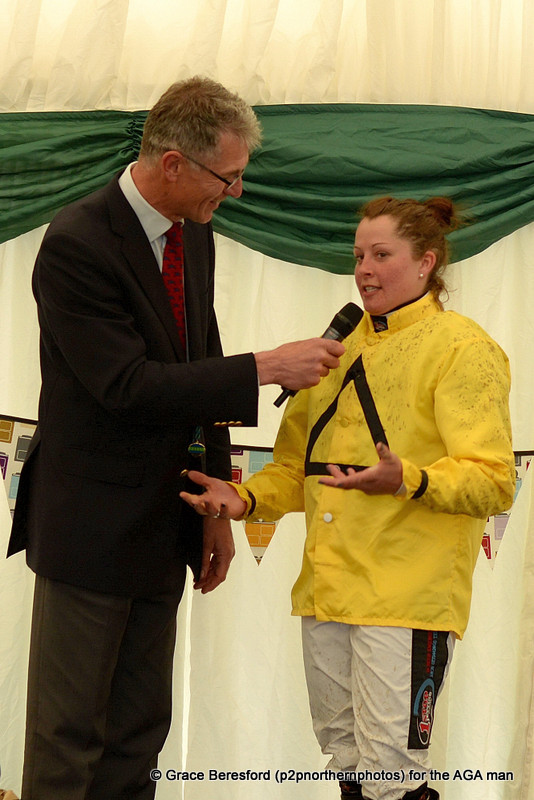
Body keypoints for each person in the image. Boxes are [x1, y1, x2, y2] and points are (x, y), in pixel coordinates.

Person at [6, 76, 345, 800]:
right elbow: (126, 388)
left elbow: (197, 360)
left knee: (138, 736)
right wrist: (266, 367)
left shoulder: (194, 235)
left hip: (167, 524)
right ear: (172, 165)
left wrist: (217, 501)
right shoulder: (76, 243)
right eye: (229, 177)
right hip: (91, 533)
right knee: (70, 740)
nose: (238, 193)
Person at [180, 196, 515, 800]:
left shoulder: (463, 348)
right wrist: (244, 498)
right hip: (327, 592)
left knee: (391, 773)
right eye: (359, 254)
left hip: (407, 595)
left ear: (426, 263)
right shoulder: (330, 352)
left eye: (381, 254)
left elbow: (493, 481)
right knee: (347, 762)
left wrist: (408, 479)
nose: (363, 268)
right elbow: (291, 469)